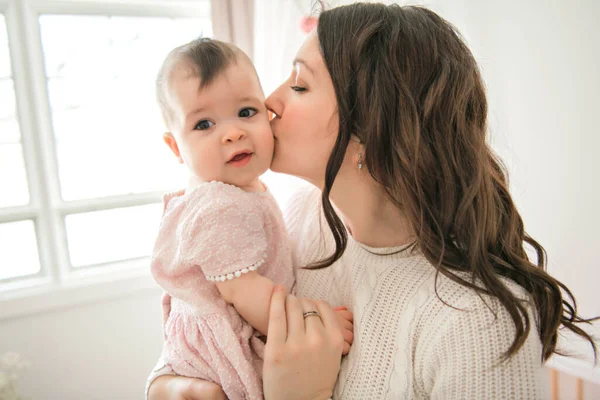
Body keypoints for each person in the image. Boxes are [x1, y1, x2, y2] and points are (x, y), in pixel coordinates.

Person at [148, 3, 598, 399]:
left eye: (300, 86)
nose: (269, 102)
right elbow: (212, 334)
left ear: (369, 129)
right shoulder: (304, 217)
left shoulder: (477, 324)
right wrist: (168, 385)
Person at [148, 38, 353, 400]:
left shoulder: (240, 190)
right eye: (204, 124)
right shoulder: (217, 206)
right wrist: (313, 323)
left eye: (246, 112)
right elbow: (245, 293)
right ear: (176, 148)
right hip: (218, 355)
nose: (233, 132)